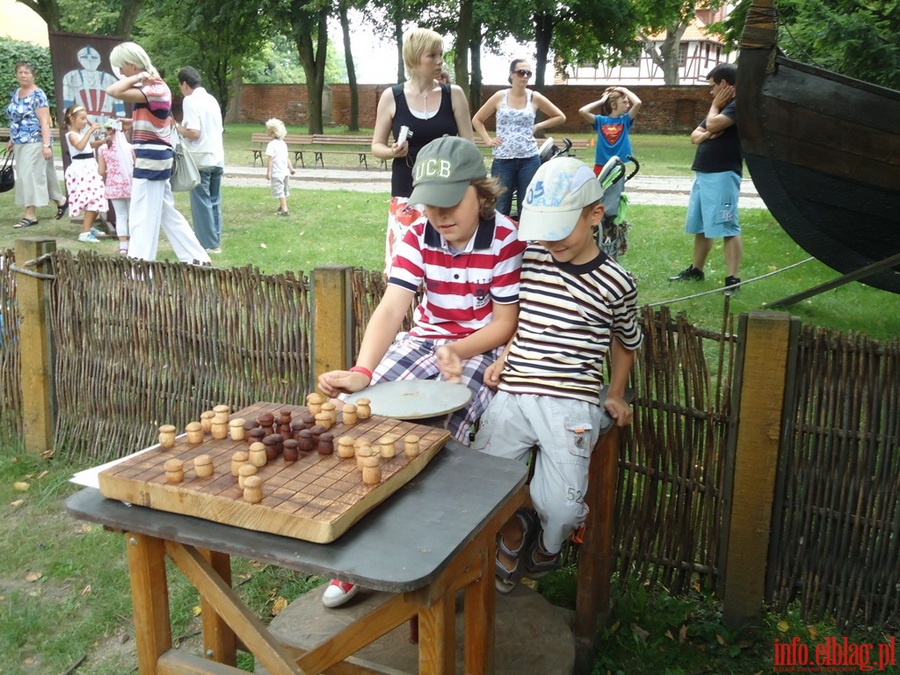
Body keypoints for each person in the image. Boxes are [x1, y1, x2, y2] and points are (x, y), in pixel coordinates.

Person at [317, 136, 526, 608]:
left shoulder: (506, 238)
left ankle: (434, 555)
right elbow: (393, 308)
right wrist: (363, 370)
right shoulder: (416, 233)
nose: (440, 215)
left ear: (482, 193)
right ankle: (355, 558)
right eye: (430, 205)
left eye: (451, 202)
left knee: (441, 438)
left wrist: (461, 349)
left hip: (477, 347)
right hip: (423, 340)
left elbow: (505, 323)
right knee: (358, 420)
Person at [471, 157, 642, 593]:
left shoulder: (617, 283)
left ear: (595, 214)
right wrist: (505, 355)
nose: (550, 240)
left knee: (563, 510)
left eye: (560, 228)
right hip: (513, 393)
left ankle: (548, 545)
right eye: (542, 229)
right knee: (480, 482)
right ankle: (514, 531)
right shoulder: (529, 260)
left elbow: (626, 341)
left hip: (571, 405)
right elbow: (518, 316)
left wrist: (617, 392)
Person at [370, 27, 474, 274]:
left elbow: (469, 146)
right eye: (432, 55)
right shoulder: (392, 96)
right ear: (415, 59)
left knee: (447, 267)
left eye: (441, 54)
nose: (440, 61)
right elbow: (376, 146)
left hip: (448, 193)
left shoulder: (454, 95)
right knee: (404, 268)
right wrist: (393, 152)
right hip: (407, 193)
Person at [106, 42, 210, 265]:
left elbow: (113, 90)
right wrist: (132, 122)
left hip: (152, 161)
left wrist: (139, 76)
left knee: (142, 217)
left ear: (131, 65)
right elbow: (156, 119)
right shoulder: (155, 88)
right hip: (155, 158)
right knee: (167, 215)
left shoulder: (154, 88)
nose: (121, 73)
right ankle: (197, 259)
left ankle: (141, 267)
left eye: (122, 68)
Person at [668, 64, 743, 291]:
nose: (710, 92)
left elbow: (710, 123)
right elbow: (695, 135)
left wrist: (713, 110)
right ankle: (696, 270)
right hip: (704, 173)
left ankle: (732, 279)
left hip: (723, 173)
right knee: (702, 226)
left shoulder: (737, 105)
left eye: (712, 87)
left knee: (727, 225)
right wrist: (709, 133)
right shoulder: (722, 106)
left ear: (723, 84)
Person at [472, 58, 566, 218]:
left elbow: (560, 116)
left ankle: (525, 241)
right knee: (500, 206)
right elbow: (477, 119)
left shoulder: (534, 97)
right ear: (511, 75)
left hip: (528, 159)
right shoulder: (499, 96)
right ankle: (501, 240)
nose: (525, 76)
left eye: (528, 73)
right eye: (521, 72)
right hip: (503, 159)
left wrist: (538, 126)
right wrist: (488, 140)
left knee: (527, 205)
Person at [5, 60, 68, 228]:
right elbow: (16, 118)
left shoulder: (38, 94)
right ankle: (61, 201)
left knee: (27, 176)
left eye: (27, 72)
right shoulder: (17, 92)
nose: (23, 75)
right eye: (20, 72)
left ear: (33, 75)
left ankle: (30, 215)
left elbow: (45, 121)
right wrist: (12, 138)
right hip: (20, 141)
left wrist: (46, 145)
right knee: (44, 174)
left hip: (35, 141)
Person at [175, 66, 225, 254]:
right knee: (214, 200)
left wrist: (177, 127)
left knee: (201, 202)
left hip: (201, 157)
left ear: (185, 84)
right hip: (217, 156)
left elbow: (194, 133)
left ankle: (208, 243)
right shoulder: (211, 99)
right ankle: (215, 239)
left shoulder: (190, 100)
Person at [61, 105, 107, 243]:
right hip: (81, 170)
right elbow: (80, 146)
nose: (85, 121)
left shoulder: (81, 134)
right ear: (72, 119)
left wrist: (102, 141)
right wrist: (90, 131)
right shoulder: (71, 135)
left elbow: (87, 145)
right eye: (82, 119)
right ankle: (85, 233)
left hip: (90, 167)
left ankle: (89, 226)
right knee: (92, 197)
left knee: (98, 195)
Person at [579, 86, 642, 176]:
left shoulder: (625, 120)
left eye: (628, 102)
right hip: (601, 164)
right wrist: (601, 101)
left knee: (616, 189)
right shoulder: (600, 120)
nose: (628, 105)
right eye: (624, 102)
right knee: (599, 189)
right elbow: (582, 111)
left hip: (618, 165)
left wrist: (624, 90)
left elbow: (638, 103)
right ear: (613, 105)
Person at [97, 120, 134, 255]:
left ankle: (123, 245)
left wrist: (109, 171)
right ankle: (134, 241)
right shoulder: (129, 148)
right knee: (132, 215)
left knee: (120, 216)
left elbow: (101, 171)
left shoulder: (102, 149)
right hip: (130, 184)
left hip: (113, 185)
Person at [264, 118, 295, 215]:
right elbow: (287, 158)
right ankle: (282, 206)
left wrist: (268, 172)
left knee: (279, 191)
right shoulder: (283, 143)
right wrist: (291, 168)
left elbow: (271, 159)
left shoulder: (271, 145)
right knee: (284, 190)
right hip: (285, 172)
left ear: (272, 132)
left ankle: (284, 210)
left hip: (277, 172)